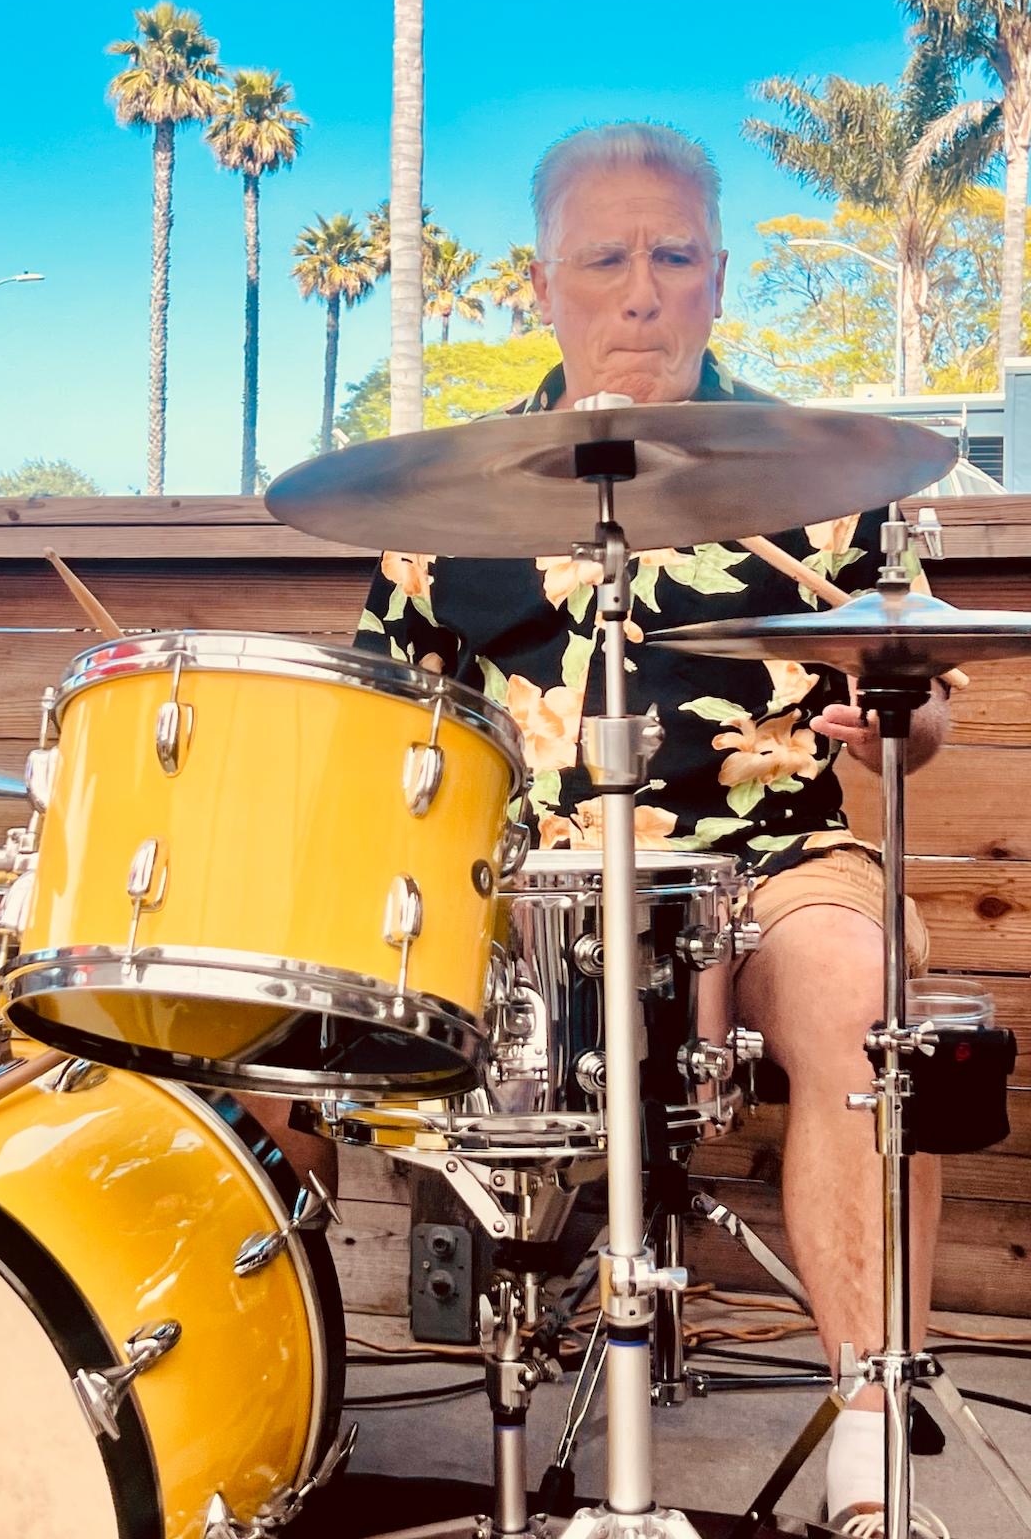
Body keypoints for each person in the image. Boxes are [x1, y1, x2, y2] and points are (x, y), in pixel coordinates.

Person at [354, 122, 951, 1539]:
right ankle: (271, 1397)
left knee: (865, 995)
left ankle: (869, 1440)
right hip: (529, 893)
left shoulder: (831, 478)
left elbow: (925, 707)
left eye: (675, 258)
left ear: (720, 278)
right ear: (541, 285)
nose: (642, 293)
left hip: (774, 869)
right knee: (268, 1010)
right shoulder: (441, 507)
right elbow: (384, 735)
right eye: (605, 260)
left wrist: (898, 718)